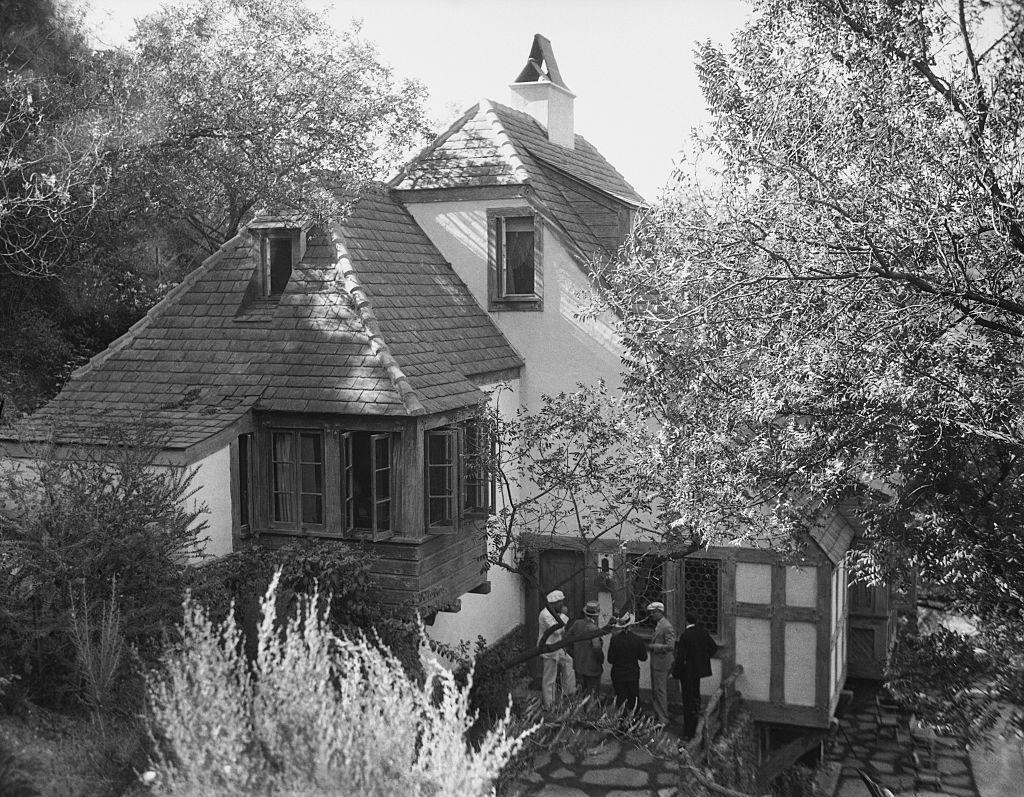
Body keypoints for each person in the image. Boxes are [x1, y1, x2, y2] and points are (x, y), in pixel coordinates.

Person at [672, 612, 719, 739]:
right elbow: (713, 648)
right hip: (697, 672)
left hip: (687, 672)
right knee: (696, 697)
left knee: (688, 701)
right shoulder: (702, 632)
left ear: (686, 621)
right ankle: (698, 724)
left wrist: (675, 672)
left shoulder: (685, 636)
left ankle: (689, 732)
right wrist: (702, 659)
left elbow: (680, 657)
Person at [538, 589, 576, 707]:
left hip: (557, 646)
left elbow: (560, 633)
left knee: (568, 661)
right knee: (550, 677)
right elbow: (557, 629)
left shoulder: (554, 613)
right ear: (555, 603)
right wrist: (564, 615)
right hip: (548, 649)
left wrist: (562, 644)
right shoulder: (545, 614)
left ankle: (569, 691)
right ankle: (549, 704)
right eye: (561, 602)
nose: (563, 605)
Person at [606, 612, 647, 711]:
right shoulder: (638, 639)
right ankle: (634, 720)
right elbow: (643, 657)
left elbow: (610, 659)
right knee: (634, 698)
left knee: (620, 699)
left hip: (618, 673)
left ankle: (621, 721)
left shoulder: (615, 640)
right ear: (631, 624)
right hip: (632, 673)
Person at [645, 601, 676, 725]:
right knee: (656, 690)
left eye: (653, 612)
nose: (651, 615)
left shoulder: (666, 626)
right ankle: (658, 714)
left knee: (660, 691)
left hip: (661, 663)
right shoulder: (659, 624)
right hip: (657, 663)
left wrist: (654, 646)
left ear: (659, 612)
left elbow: (670, 646)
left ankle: (663, 718)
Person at [567, 600, 604, 694]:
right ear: (596, 615)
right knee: (592, 693)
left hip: (579, 665)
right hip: (592, 667)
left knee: (581, 692)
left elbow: (567, 638)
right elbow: (597, 648)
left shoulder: (577, 623)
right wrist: (601, 659)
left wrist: (574, 652)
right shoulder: (593, 628)